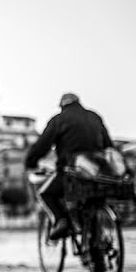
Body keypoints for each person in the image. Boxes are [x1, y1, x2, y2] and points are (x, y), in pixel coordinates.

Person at [25, 93, 113, 241]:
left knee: (46, 194)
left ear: (62, 106)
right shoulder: (94, 117)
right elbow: (108, 145)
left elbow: (42, 145)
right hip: (98, 171)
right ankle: (97, 241)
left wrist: (31, 161)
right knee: (92, 199)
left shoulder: (59, 120)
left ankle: (61, 221)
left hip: (72, 170)